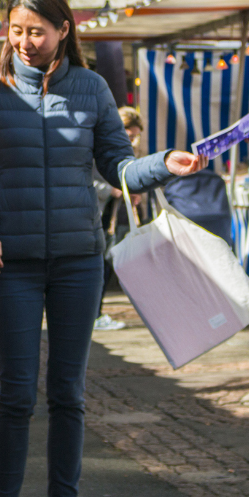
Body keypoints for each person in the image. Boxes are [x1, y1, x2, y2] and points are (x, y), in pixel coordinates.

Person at [0, 0, 206, 497]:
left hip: (77, 261)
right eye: (16, 30)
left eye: (36, 31)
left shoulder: (91, 88)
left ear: (64, 30)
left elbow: (117, 165)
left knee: (68, 394)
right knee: (16, 395)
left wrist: (163, 164)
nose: (24, 41)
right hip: (10, 261)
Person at [92, 106, 143, 331]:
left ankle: (96, 313)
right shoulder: (97, 147)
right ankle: (94, 315)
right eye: (129, 136)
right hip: (95, 214)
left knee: (106, 263)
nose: (133, 141)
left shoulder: (123, 151)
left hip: (110, 217)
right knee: (99, 265)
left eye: (135, 137)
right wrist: (111, 190)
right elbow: (82, 179)